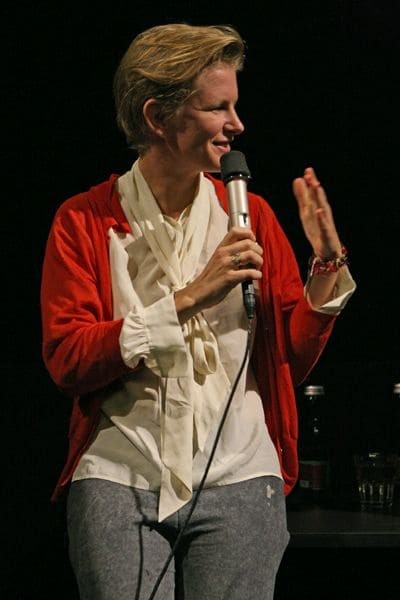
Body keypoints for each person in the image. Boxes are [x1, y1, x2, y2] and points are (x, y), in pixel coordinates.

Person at [40, 23, 356, 600]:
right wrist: (187, 299)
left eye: (235, 106)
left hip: (241, 473)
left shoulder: (252, 216)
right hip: (122, 473)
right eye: (218, 108)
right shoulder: (83, 220)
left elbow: (287, 359)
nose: (238, 125)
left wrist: (327, 266)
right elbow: (68, 360)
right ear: (158, 117)